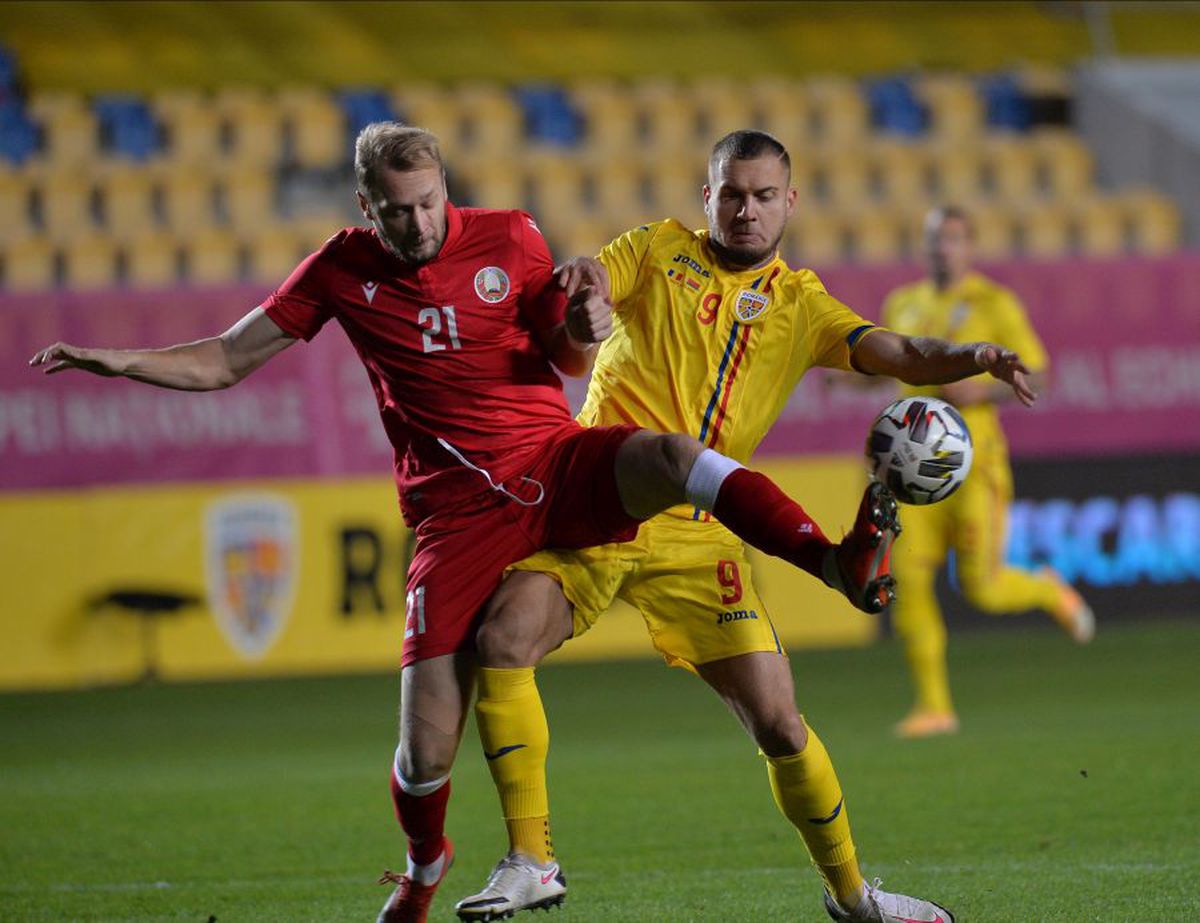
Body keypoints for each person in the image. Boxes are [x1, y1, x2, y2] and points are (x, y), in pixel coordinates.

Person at [28, 122, 945, 923]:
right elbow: (226, 361)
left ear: (446, 192)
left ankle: (853, 859)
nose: (420, 224)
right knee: (434, 736)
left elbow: (565, 350)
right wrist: (116, 360)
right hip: (456, 516)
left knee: (761, 675)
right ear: (367, 207)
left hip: (559, 470)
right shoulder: (344, 270)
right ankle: (454, 865)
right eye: (399, 210)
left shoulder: (512, 236)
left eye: (430, 203)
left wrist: (579, 319)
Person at [456, 132, 1037, 923]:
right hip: (600, 503)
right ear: (708, 197)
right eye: (732, 193)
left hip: (702, 534)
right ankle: (531, 857)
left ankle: (853, 897)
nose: (746, 209)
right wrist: (586, 291)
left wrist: (972, 354)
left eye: (763, 195)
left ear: (789, 202)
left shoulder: (803, 306)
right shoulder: (657, 249)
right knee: (501, 640)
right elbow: (595, 276)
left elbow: (900, 349)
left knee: (780, 724)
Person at [877, 205, 1094, 739]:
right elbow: (891, 366)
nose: (940, 248)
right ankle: (934, 705)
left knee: (984, 588)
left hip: (974, 465)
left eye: (951, 239)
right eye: (933, 239)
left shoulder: (994, 304)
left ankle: (1047, 590)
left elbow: (1035, 373)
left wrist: (983, 389)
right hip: (913, 470)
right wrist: (847, 379)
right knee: (906, 581)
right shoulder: (902, 304)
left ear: (969, 247)